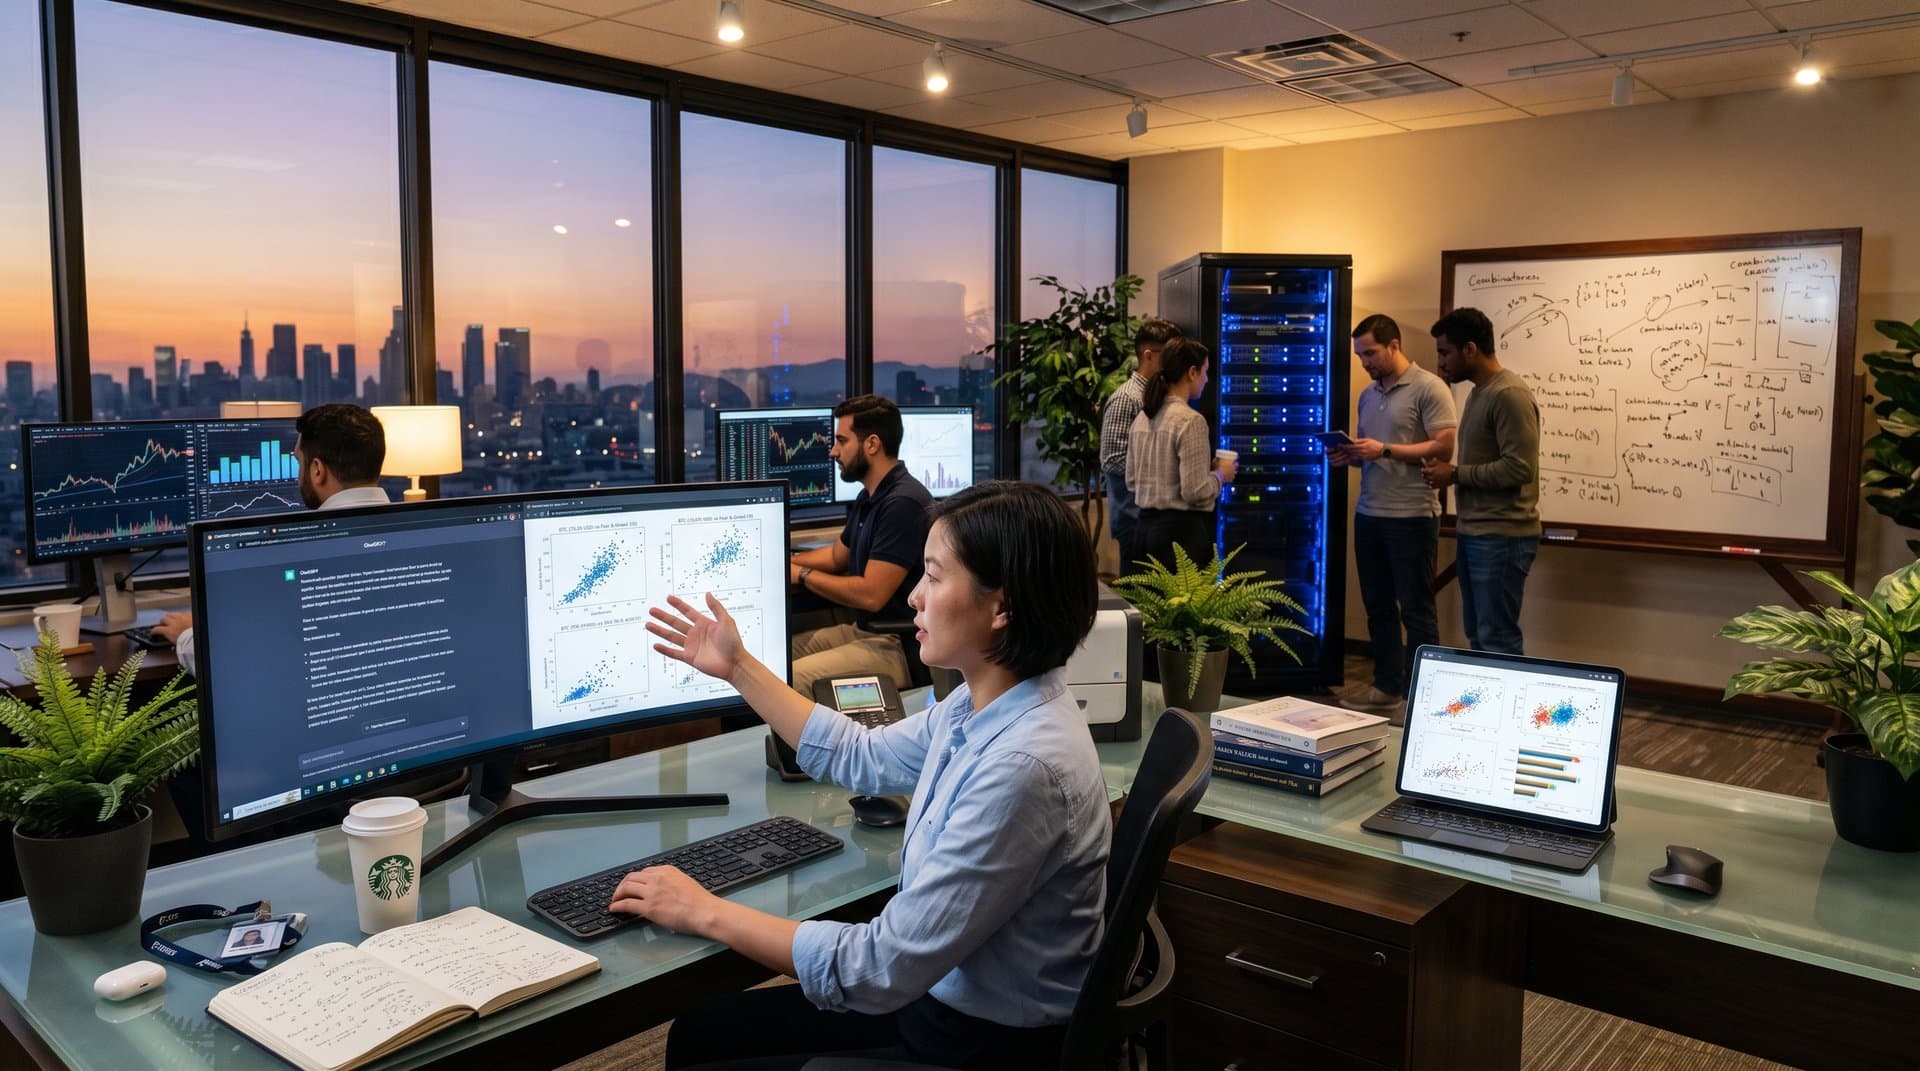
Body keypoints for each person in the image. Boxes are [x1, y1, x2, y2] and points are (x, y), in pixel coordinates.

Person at [627, 481, 1107, 1069]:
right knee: (702, 1032)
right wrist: (738, 667)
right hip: (936, 997)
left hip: (976, 1043)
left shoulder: (1022, 768)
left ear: (1000, 607)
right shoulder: (978, 705)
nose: (912, 598)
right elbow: (862, 754)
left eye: (933, 576)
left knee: (710, 1048)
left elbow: (877, 967)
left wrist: (704, 911)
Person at [153, 403, 392, 675]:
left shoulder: (304, 553)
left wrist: (186, 636)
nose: (298, 473)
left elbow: (243, 664)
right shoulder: (425, 530)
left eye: (298, 462)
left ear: (317, 470)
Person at [1330, 315, 1457, 718]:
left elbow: (1444, 448)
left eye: (1370, 352)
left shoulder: (1429, 388)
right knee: (1378, 606)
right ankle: (1386, 688)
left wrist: (1382, 450)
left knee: (1416, 609)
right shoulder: (1367, 395)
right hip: (1370, 513)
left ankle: (1423, 700)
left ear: (1394, 346)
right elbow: (1374, 453)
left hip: (1413, 516)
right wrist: (1350, 456)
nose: (1364, 362)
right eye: (1360, 355)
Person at [787, 394, 933, 698]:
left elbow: (870, 595)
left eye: (842, 441)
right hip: (866, 631)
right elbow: (837, 556)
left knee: (790, 680)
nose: (833, 451)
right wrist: (782, 563)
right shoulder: (871, 496)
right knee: (772, 658)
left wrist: (800, 575)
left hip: (896, 644)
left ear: (872, 444)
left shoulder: (902, 503)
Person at [1420, 307, 1541, 655]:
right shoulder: (1478, 392)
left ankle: (1509, 710)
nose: (1441, 362)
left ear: (1470, 349)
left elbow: (1519, 469)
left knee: (1496, 638)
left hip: (1503, 536)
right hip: (1476, 533)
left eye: (1445, 352)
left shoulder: (1509, 395)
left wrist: (1455, 474)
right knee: (1479, 634)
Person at [1126, 336, 1235, 571]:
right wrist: (1220, 475)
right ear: (1192, 372)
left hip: (1143, 533)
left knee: (1148, 607)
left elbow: (1132, 481)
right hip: (1180, 539)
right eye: (1205, 371)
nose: (1207, 379)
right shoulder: (1190, 421)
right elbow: (1194, 491)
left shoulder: (1143, 417)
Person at [1098, 317, 1180, 570]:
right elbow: (1112, 460)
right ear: (1148, 355)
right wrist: (1166, 465)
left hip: (1154, 521)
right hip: (1134, 521)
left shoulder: (1161, 395)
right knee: (1138, 604)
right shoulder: (1127, 398)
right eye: (1170, 356)